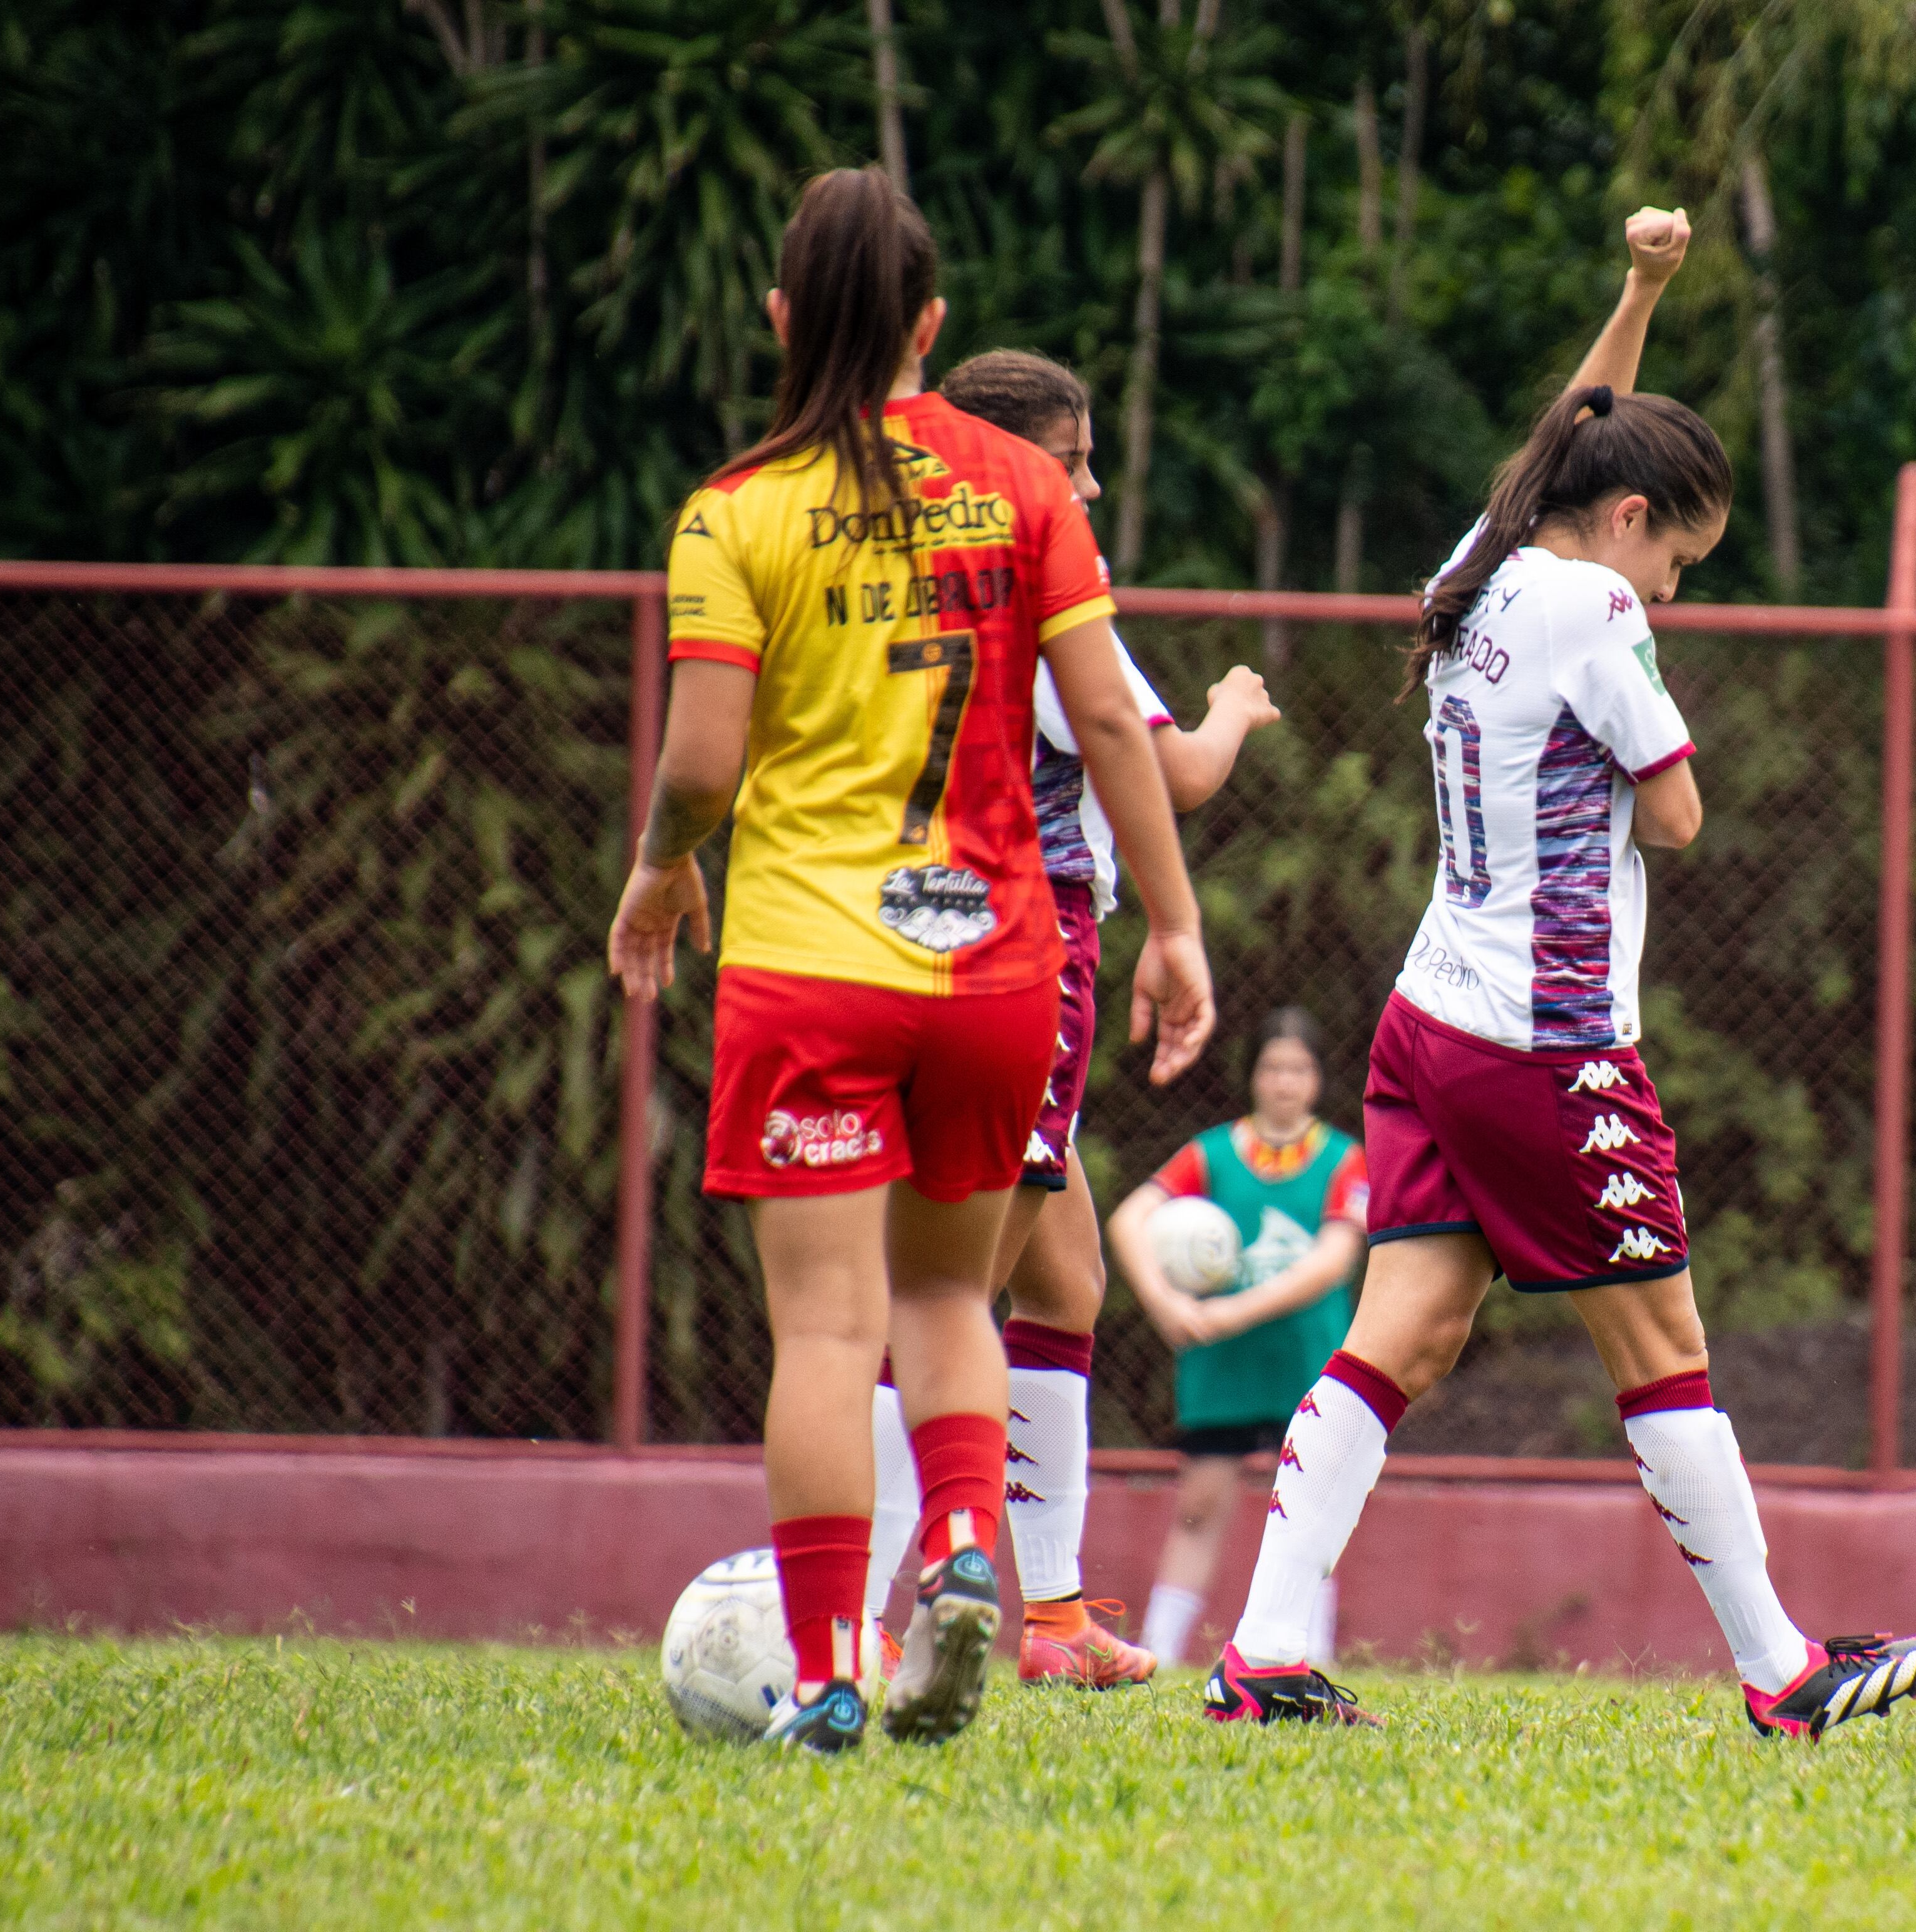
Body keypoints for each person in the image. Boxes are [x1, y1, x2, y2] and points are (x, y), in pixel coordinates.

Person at [1197, 208, 1916, 1737]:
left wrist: (1639, 296)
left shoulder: (1474, 571)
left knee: (1400, 1331)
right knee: (1662, 1344)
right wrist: (1630, 725)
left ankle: (1263, 1652)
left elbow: (1559, 443)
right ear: (1626, 527)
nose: (1673, 590)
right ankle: (1784, 1674)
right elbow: (1673, 812)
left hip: (1427, 1023)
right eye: (1679, 556)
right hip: (1548, 1046)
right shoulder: (1595, 607)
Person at [606, 166, 1214, 1752]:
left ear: (782, 319)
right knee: (954, 1297)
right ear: (934, 325)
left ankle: (822, 1678)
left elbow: (698, 767)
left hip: (812, 960)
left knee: (826, 1330)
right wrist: (1176, 926)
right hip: (998, 962)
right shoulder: (1023, 486)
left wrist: (664, 872)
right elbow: (1102, 720)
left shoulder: (733, 512)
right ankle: (959, 1545)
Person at [859, 348, 1282, 1688]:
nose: (1090, 483)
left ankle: (1046, 1617)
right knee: (948, 1287)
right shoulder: (1032, 578)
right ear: (1009, 463)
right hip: (1024, 941)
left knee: (1064, 1279)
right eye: (1073, 457)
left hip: (905, 924)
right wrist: (1228, 709)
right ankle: (873, 1612)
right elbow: (1161, 763)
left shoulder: (895, 563)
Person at [1103, 1008, 1368, 1667]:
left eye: (1299, 1069)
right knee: (1200, 1503)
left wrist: (1233, 1311)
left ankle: (1313, 1652)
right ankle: (1160, 1649)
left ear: (1318, 1080)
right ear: (1252, 1076)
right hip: (1223, 1368)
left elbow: (1333, 1261)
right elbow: (1130, 1218)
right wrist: (1166, 1303)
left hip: (1308, 1362)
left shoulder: (1344, 1159)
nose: (1285, 1082)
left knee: (1311, 1508)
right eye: (1272, 1068)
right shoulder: (1212, 1154)